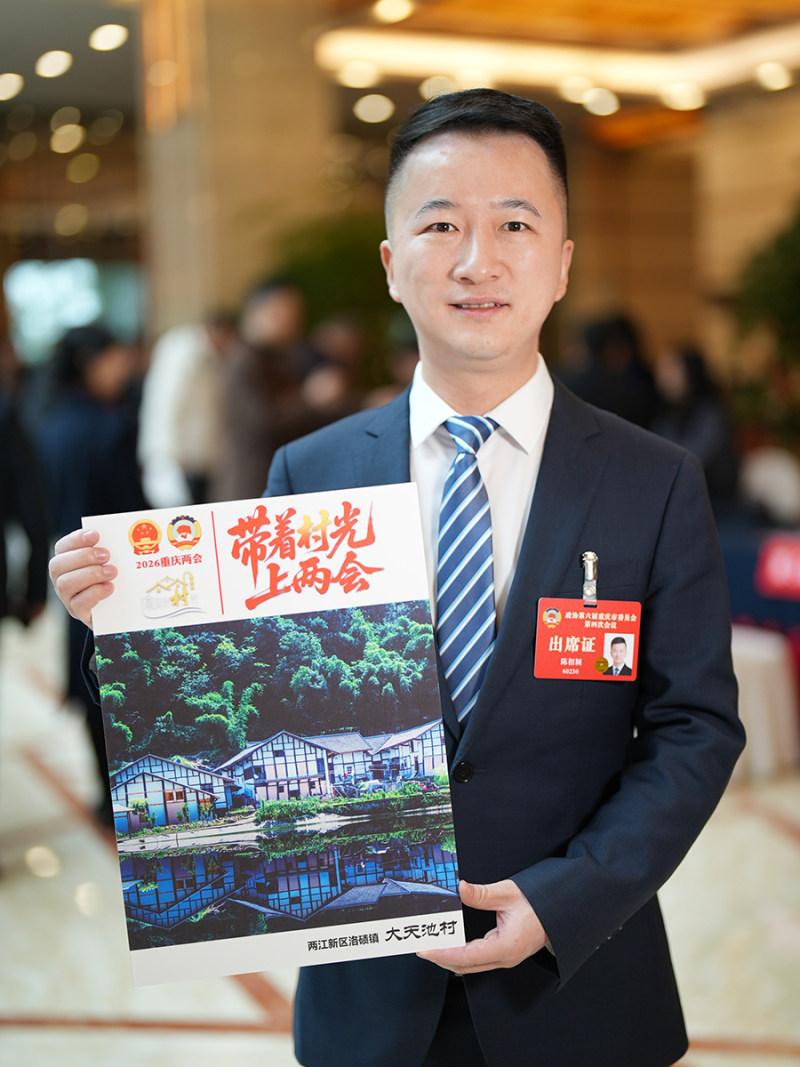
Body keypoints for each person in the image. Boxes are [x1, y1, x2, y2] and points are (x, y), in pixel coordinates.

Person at [48, 89, 744, 1066]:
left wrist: (566, 895)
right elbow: (246, 716)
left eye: (513, 224)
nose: (475, 260)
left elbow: (694, 725)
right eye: (440, 224)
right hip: (368, 1003)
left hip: (580, 988)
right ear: (390, 263)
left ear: (560, 262)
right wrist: (127, 634)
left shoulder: (652, 480)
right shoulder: (312, 473)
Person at [137, 312, 237, 508]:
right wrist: (165, 458)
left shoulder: (212, 357)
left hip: (199, 459)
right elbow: (167, 405)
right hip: (178, 460)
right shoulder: (183, 351)